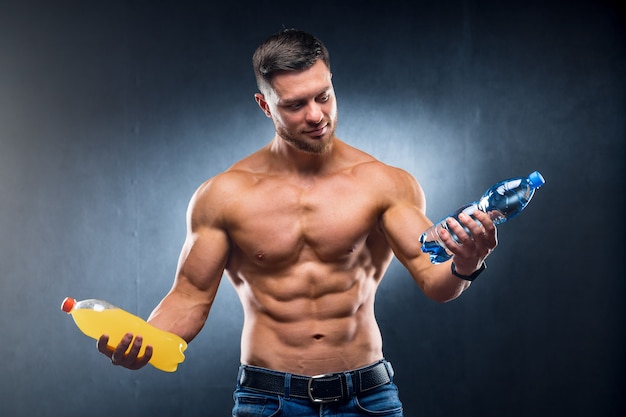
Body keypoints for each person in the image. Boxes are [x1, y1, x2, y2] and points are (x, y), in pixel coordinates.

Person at [97, 28, 497, 416]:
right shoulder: (224, 195)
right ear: (265, 105)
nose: (315, 115)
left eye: (323, 96)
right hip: (267, 399)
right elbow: (189, 297)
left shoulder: (384, 183)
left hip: (365, 397)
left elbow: (435, 280)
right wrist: (146, 342)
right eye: (294, 105)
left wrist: (466, 264)